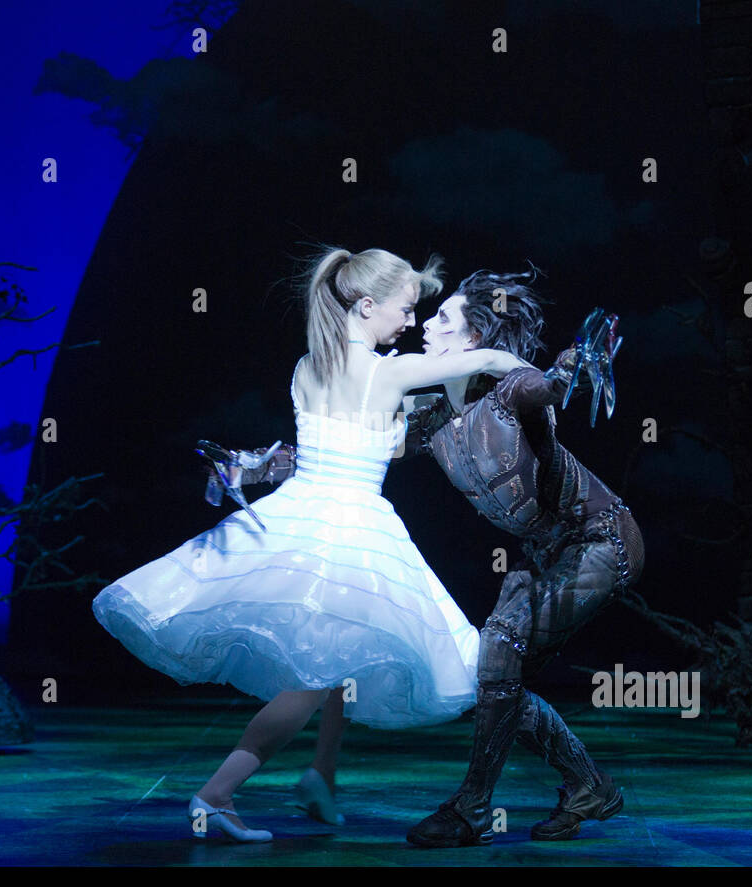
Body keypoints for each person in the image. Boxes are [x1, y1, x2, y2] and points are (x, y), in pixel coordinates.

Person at [91, 248, 528, 842]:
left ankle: (320, 772)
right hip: (346, 527)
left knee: (331, 657)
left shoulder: (306, 367)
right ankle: (216, 794)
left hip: (301, 512)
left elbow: (348, 440)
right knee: (316, 673)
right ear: (367, 305)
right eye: (404, 309)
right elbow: (496, 358)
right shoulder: (386, 372)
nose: (408, 323)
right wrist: (545, 374)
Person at [235, 268, 644, 846]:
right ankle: (589, 786)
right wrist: (253, 465)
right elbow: (345, 444)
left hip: (602, 541)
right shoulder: (431, 415)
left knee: (498, 654)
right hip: (545, 552)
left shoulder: (509, 393)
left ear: (473, 340)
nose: (425, 324)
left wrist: (576, 362)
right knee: (490, 670)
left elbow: (543, 386)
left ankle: (472, 810)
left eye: (443, 319)